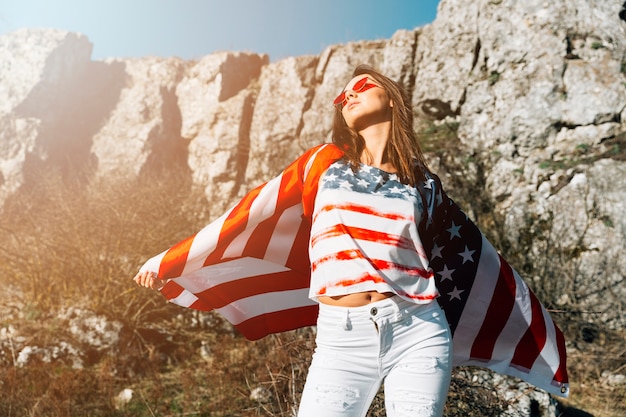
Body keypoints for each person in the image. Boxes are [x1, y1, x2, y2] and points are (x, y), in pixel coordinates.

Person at [134, 65, 568, 416]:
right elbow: (252, 210)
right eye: (341, 97)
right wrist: (173, 258)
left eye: (360, 86)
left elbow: (472, 257)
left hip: (418, 329)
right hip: (341, 339)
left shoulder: (424, 184)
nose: (348, 96)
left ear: (391, 98)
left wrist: (536, 326)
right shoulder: (324, 163)